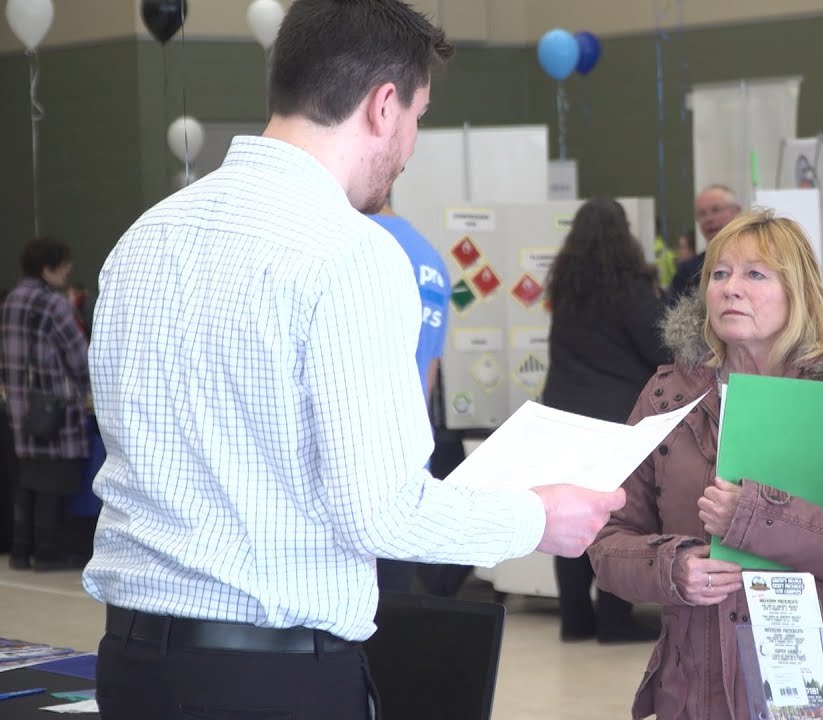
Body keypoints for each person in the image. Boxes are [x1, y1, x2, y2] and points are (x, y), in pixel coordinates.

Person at [84, 2, 623, 718]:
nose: (409, 147)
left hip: (130, 668)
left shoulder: (147, 236)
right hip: (269, 680)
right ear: (383, 105)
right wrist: (537, 519)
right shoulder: (352, 253)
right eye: (419, 117)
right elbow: (381, 511)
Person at [589, 209, 823, 720]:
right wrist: (671, 568)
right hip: (692, 690)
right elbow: (607, 538)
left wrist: (760, 518)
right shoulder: (666, 395)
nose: (730, 288)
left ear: (798, 292)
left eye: (755, 274)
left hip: (811, 687)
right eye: (719, 274)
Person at [543, 198, 671, 644]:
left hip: (562, 413)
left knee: (568, 517)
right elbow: (660, 347)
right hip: (615, 417)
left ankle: (575, 619)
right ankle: (615, 620)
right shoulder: (631, 288)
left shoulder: (566, 287)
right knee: (615, 518)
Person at [366, 198, 456, 594]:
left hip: (351, 463)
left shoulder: (353, 242)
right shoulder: (430, 259)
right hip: (407, 461)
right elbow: (428, 372)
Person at [0, 237, 91, 571]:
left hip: (21, 407)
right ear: (49, 267)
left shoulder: (11, 300)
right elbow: (79, 356)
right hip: (54, 407)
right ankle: (48, 553)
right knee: (54, 481)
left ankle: (22, 552)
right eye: (64, 266)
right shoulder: (54, 304)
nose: (67, 273)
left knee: (27, 481)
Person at [665, 185, 741, 303]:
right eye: (702, 213)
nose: (709, 219)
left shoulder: (760, 259)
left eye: (716, 210)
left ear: (737, 212)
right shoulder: (687, 271)